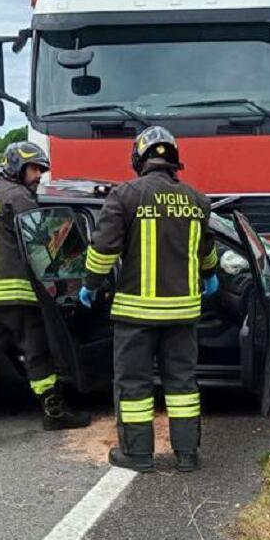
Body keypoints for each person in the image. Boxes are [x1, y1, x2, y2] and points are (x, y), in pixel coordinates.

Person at [78, 126, 219, 472]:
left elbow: (102, 250)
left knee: (134, 386)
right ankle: (187, 454)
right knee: (183, 385)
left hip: (135, 315)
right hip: (183, 315)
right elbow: (207, 252)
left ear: (139, 159)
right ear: (174, 160)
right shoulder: (197, 200)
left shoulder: (125, 195)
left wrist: (90, 284)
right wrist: (210, 276)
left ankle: (138, 455)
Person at [0, 141, 91, 449]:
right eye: (34, 169)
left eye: (41, 170)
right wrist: (77, 266)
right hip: (15, 293)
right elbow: (46, 242)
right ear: (16, 166)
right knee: (37, 354)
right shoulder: (18, 197)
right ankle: (55, 413)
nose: (39, 176)